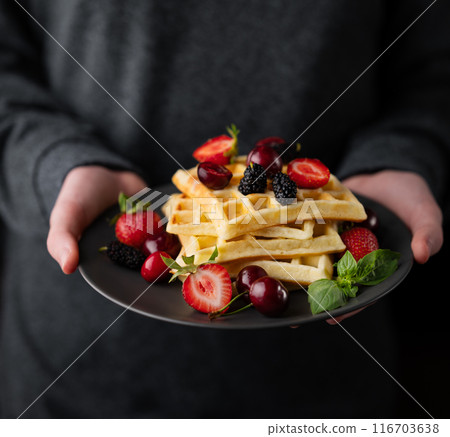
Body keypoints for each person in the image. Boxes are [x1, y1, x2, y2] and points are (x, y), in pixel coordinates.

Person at [0, 0, 448, 418]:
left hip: (325, 389)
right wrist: (57, 163)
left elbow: (432, 72)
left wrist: (400, 157)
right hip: (79, 380)